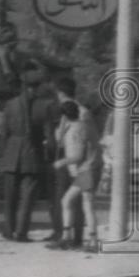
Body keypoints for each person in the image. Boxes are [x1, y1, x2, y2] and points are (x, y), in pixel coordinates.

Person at [0, 63, 50, 241]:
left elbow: (4, 133)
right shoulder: (44, 106)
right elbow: (48, 137)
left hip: (12, 153)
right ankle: (21, 232)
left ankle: (8, 230)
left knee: (10, 197)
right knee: (28, 198)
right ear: (38, 86)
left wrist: (3, 155)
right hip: (32, 155)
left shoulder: (10, 105)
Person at [49, 99, 103, 252]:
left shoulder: (75, 130)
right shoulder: (84, 125)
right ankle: (91, 239)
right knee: (86, 204)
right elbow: (60, 139)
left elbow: (77, 155)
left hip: (85, 171)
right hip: (91, 169)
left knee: (69, 201)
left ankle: (68, 237)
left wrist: (61, 162)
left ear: (64, 116)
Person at [43, 77, 86, 246]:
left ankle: (65, 235)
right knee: (73, 200)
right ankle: (73, 236)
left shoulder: (67, 110)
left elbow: (59, 138)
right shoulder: (82, 110)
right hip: (70, 158)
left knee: (64, 198)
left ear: (60, 93)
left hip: (67, 159)